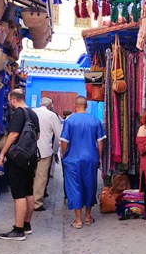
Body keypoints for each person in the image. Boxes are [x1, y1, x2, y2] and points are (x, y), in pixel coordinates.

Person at [0, 89, 40, 241]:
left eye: (9, 100)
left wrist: (2, 154)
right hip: (30, 157)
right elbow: (37, 135)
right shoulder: (33, 114)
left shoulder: (19, 113)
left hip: (18, 158)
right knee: (28, 191)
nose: (9, 103)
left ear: (13, 99)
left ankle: (18, 230)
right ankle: (27, 225)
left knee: (19, 193)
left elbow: (13, 134)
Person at [60, 96, 106, 229]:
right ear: (86, 105)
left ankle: (78, 220)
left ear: (76, 105)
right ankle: (88, 217)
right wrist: (99, 157)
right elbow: (100, 142)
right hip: (91, 158)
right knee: (90, 185)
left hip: (73, 159)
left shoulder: (70, 120)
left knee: (75, 187)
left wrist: (65, 156)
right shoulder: (94, 120)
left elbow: (64, 141)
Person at [32, 97, 62, 211]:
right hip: (44, 150)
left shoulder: (32, 112)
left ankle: (28, 199)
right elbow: (59, 135)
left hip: (29, 150)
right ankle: (37, 203)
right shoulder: (51, 115)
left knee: (31, 175)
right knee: (41, 177)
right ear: (50, 106)